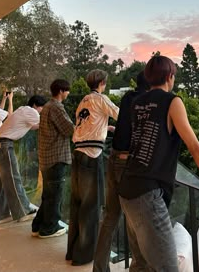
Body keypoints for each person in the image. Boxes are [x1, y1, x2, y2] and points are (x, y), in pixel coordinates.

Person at [118, 55, 199, 271]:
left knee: (141, 265)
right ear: (170, 76)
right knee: (167, 267)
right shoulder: (172, 101)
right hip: (147, 193)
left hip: (127, 188)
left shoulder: (137, 103)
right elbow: (194, 147)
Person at [93, 71, 149, 272]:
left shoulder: (128, 97)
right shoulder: (148, 101)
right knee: (136, 219)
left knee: (110, 217)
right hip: (127, 163)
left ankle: (99, 268)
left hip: (114, 157)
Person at [66, 69, 119, 266]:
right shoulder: (101, 99)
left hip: (78, 153)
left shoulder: (83, 102)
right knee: (90, 206)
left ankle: (73, 251)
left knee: (77, 204)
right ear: (102, 82)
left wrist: (106, 127)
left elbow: (87, 123)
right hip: (92, 154)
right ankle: (84, 255)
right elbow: (119, 114)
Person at [0, 95, 46, 225]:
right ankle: (23, 212)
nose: (42, 111)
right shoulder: (32, 112)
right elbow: (43, 123)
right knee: (13, 178)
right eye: (42, 108)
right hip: (4, 145)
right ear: (37, 106)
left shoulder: (22, 109)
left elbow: (32, 126)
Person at [32, 79, 74, 238]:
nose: (68, 93)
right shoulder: (56, 107)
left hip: (46, 157)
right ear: (62, 91)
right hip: (55, 157)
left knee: (48, 195)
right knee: (55, 195)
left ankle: (37, 225)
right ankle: (49, 228)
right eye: (67, 90)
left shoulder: (48, 106)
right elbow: (69, 129)